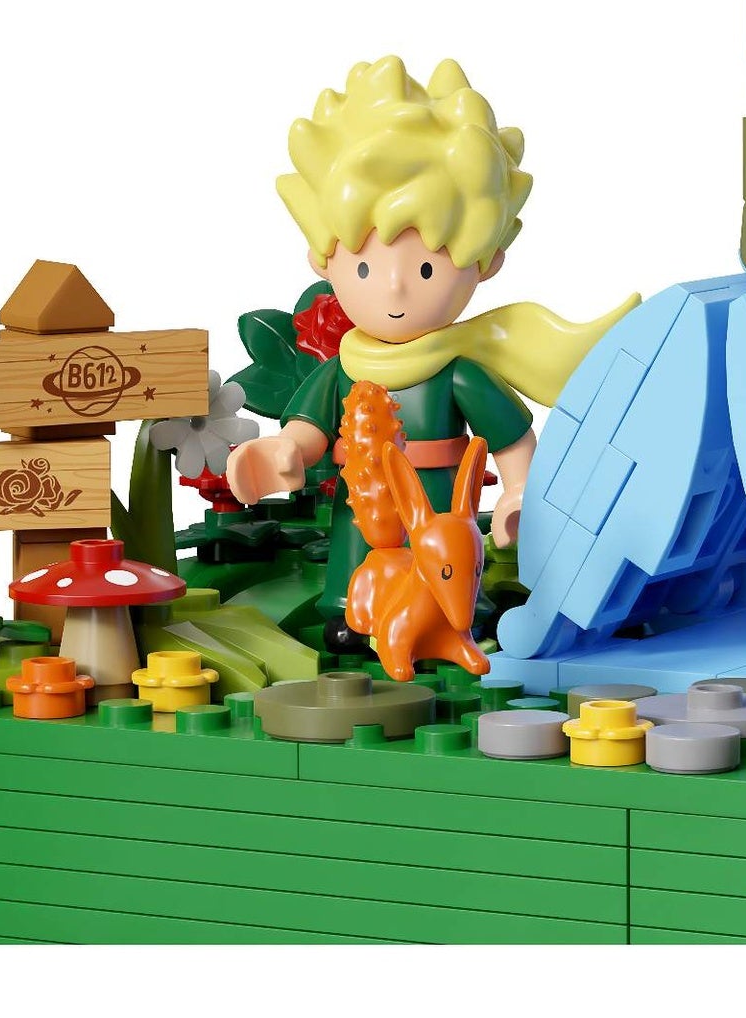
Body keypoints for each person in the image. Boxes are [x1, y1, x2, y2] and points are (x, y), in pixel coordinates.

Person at [226, 55, 637, 649]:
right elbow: (308, 429)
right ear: (323, 259)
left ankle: (447, 615)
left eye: (425, 268)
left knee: (443, 563)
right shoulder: (346, 369)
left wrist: (519, 492)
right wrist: (283, 451)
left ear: (486, 262)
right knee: (356, 568)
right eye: (365, 267)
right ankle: (354, 610)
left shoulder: (457, 371)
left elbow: (511, 439)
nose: (394, 288)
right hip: (363, 497)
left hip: (440, 501)